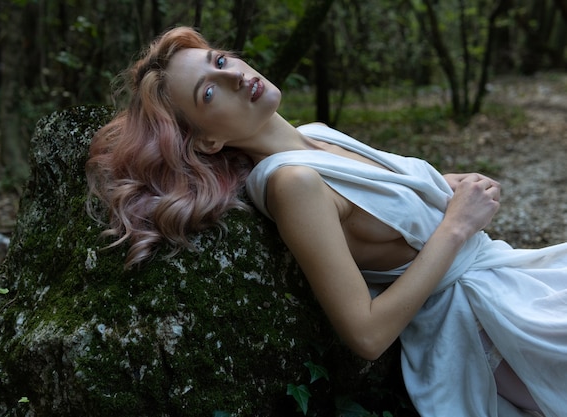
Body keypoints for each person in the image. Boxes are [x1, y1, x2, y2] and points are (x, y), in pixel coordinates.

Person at [85, 26, 567, 417]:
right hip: (488, 329)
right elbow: (366, 334)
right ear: (208, 141)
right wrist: (457, 225)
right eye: (210, 91)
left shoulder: (315, 136)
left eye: (220, 60)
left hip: (513, 281)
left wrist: (447, 186)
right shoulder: (291, 184)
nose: (233, 75)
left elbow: (382, 200)